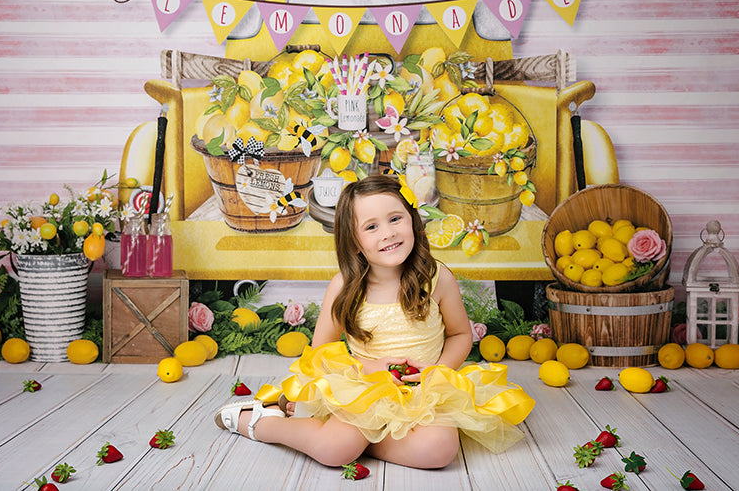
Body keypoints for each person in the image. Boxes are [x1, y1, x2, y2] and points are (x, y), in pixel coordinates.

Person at [214, 174, 534, 469]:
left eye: (395, 219)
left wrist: (437, 371)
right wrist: (370, 369)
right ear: (354, 241)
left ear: (413, 221)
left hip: (425, 390)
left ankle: (358, 441)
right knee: (333, 451)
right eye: (371, 227)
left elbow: (461, 335)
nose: (388, 233)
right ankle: (262, 421)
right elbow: (321, 351)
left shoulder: (436, 278)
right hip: (362, 387)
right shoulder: (344, 286)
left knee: (439, 450)